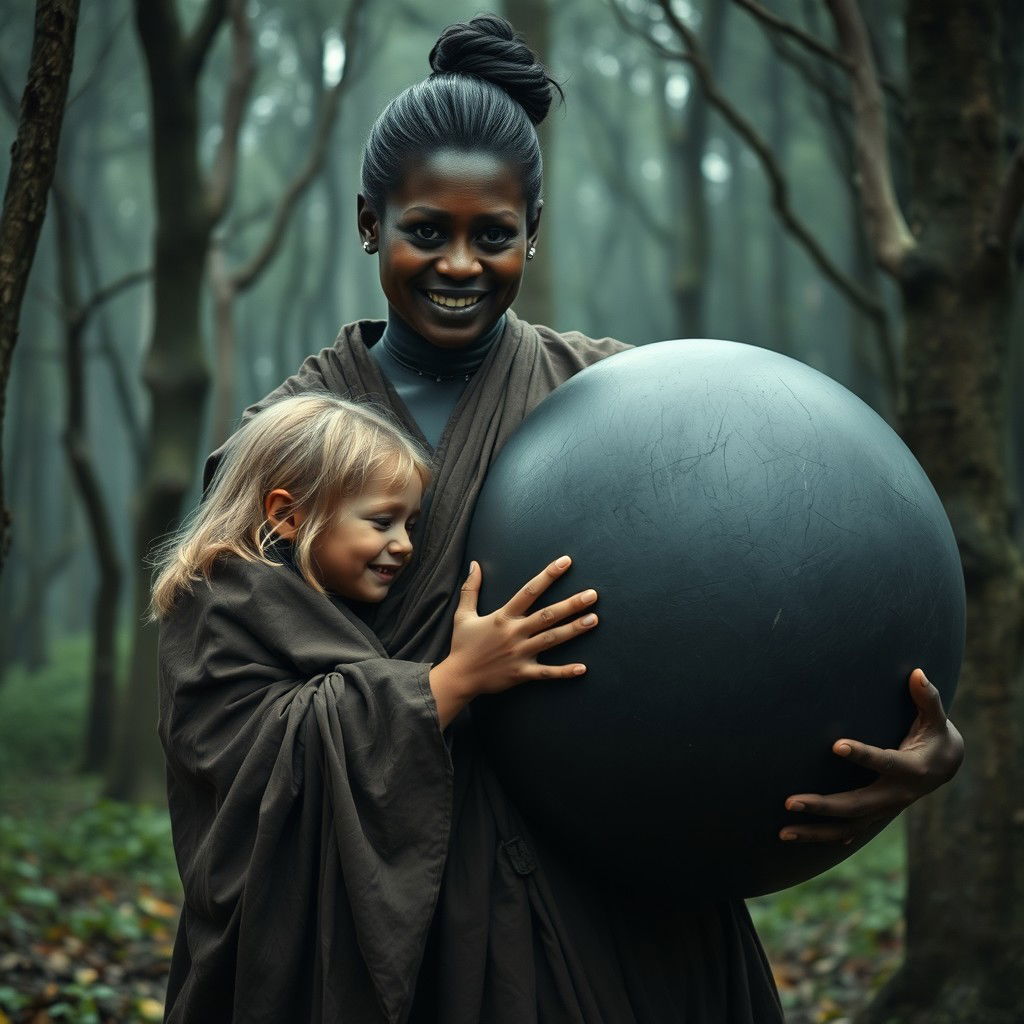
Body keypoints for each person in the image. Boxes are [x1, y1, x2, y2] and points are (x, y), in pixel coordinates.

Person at [163, 14, 964, 1023]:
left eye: (493, 235)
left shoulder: (628, 404)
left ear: (531, 236)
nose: (460, 263)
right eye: (425, 230)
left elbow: (782, 590)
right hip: (396, 925)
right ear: (369, 221)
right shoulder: (280, 455)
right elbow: (224, 731)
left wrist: (911, 740)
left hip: (623, 907)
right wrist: (438, 690)